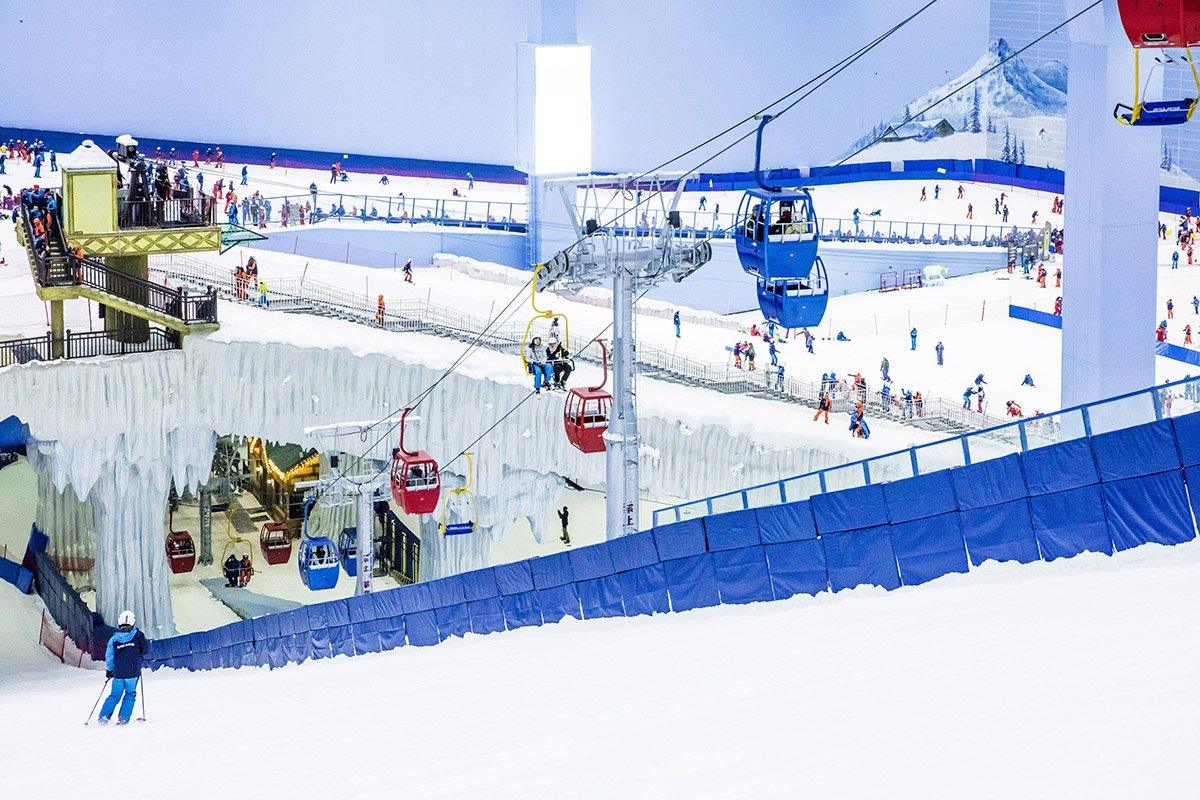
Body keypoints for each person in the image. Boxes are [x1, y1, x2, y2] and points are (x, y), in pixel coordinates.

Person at [98, 610, 147, 726]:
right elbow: (145, 650)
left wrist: (109, 671)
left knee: (115, 695)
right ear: (133, 622)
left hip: (118, 673)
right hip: (133, 672)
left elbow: (109, 656)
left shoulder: (114, 640)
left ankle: (103, 717)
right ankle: (123, 719)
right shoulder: (138, 635)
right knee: (130, 694)